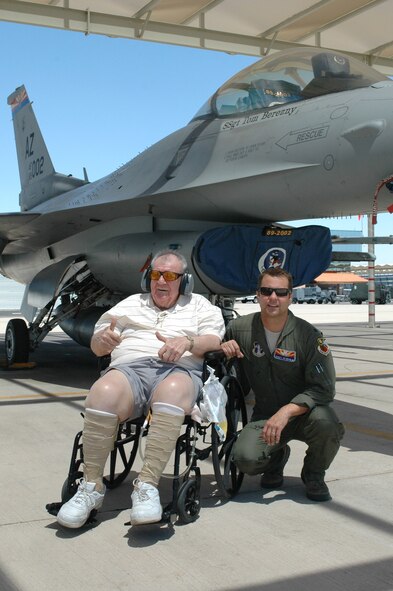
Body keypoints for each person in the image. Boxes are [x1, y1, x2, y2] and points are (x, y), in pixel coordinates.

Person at [57, 250, 225, 528]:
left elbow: (213, 339)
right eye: (156, 274)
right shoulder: (129, 304)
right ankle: (90, 488)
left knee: (171, 390)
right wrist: (104, 340)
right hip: (129, 369)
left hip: (178, 371)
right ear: (148, 278)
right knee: (102, 392)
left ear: (184, 282)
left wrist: (188, 343)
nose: (162, 280)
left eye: (170, 275)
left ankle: (146, 486)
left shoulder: (200, 306)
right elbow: (97, 345)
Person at [221, 267, 344, 502]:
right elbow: (220, 364)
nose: (273, 298)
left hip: (305, 415)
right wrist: (221, 349)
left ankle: (314, 475)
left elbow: (325, 389)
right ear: (257, 294)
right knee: (245, 458)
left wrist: (287, 411)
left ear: (290, 296)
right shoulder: (239, 329)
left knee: (328, 425)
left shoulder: (308, 336)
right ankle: (276, 459)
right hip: (264, 415)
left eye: (280, 292)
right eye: (267, 291)